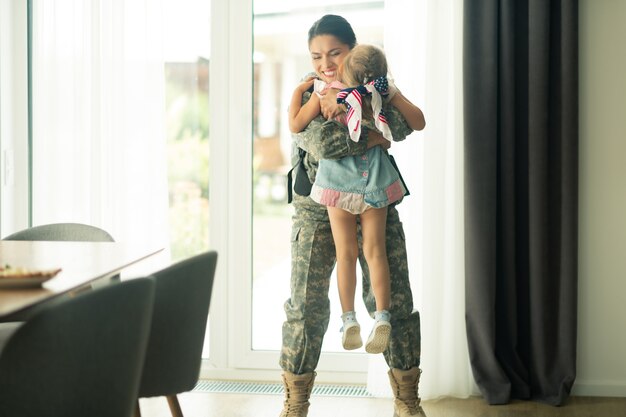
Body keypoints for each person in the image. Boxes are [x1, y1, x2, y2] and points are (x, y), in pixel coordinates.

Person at [279, 14, 427, 417]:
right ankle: (296, 401)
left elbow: (405, 123)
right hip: (317, 208)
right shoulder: (310, 91)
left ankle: (407, 400)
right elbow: (324, 143)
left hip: (374, 196)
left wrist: (384, 128)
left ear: (353, 52)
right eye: (316, 56)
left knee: (394, 300)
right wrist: (378, 136)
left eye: (335, 53)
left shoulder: (374, 85)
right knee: (305, 307)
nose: (325, 63)